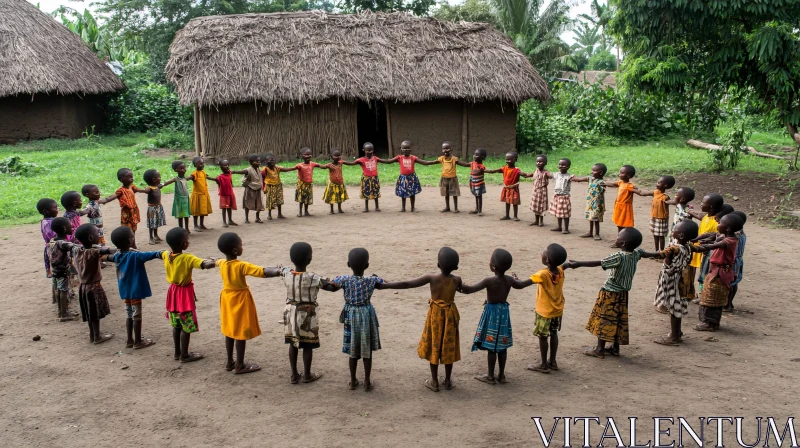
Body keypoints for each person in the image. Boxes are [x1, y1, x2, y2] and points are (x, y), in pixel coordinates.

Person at [377, 247, 463, 392]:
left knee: (434, 345)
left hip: (436, 317)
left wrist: (385, 284)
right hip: (450, 316)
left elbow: (407, 284)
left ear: (438, 265)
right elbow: (465, 289)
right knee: (448, 346)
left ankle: (434, 381)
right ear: (456, 267)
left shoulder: (432, 278)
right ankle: (448, 381)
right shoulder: (457, 280)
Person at [565, 227, 659, 358]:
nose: (617, 237)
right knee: (618, 319)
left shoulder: (619, 256)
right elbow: (647, 254)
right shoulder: (636, 253)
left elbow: (600, 262)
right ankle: (615, 348)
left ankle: (599, 349)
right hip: (623, 294)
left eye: (618, 236)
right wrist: (658, 254)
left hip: (610, 293)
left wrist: (579, 263)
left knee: (605, 319)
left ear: (623, 243)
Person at [459, 249, 533, 384]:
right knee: (502, 345)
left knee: (492, 346)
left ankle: (490, 376)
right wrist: (530, 279)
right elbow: (521, 285)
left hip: (492, 314)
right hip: (504, 313)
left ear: (493, 267)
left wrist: (457, 285)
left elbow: (469, 290)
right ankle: (502, 375)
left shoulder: (489, 280)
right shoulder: (510, 280)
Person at [214, 232, 277, 374]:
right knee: (240, 332)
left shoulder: (223, 263)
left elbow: (216, 261)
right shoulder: (241, 265)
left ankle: (230, 362)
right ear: (235, 250)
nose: (242, 247)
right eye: (241, 245)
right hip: (240, 300)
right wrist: (279, 271)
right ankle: (240, 365)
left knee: (229, 331)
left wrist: (213, 260)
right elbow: (261, 271)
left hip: (226, 299)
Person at [329, 248, 384, 391]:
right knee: (367, 349)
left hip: (351, 315)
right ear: (367, 266)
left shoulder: (344, 279)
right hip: (366, 313)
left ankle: (353, 381)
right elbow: (384, 283)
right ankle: (367, 382)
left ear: (348, 264)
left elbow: (331, 284)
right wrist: (376, 277)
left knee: (353, 348)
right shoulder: (371, 280)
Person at [280, 242, 335, 384]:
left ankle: (294, 375)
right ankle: (307, 374)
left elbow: (280, 270)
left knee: (293, 343)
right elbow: (331, 286)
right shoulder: (313, 277)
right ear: (310, 259)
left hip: (290, 312)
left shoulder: (287, 274)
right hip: (307, 315)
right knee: (308, 345)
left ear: (291, 259)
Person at [162, 227, 215, 363]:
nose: (188, 242)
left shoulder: (166, 255)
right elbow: (203, 264)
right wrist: (216, 261)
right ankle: (185, 355)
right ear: (184, 244)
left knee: (176, 325)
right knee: (186, 324)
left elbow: (159, 253)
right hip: (184, 295)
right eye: (187, 240)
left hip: (173, 293)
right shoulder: (187, 257)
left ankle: (177, 352)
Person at [105, 226, 162, 349]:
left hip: (125, 291)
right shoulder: (135, 256)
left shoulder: (117, 256)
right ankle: (138, 342)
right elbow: (151, 255)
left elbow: (108, 257)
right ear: (130, 241)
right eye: (132, 236)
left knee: (129, 315)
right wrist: (161, 253)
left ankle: (129, 340)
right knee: (137, 316)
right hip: (135, 290)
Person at [652, 220, 700, 346]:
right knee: (676, 305)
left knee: (674, 307)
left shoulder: (676, 249)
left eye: (675, 230)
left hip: (673, 281)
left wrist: (667, 259)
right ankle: (677, 332)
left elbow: (669, 266)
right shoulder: (688, 247)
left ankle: (674, 337)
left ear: (681, 236)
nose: (673, 231)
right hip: (681, 278)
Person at [693, 213, 744, 331]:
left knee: (713, 298)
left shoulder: (730, 241)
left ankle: (710, 323)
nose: (718, 224)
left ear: (727, 228)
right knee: (710, 296)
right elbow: (711, 236)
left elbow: (713, 246)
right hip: (715, 271)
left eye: (720, 223)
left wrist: (697, 247)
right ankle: (709, 321)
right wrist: (697, 239)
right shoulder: (725, 236)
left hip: (720, 274)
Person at [525, 244, 568, 374]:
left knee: (543, 337)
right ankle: (553, 361)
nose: (541, 254)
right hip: (557, 310)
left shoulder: (543, 274)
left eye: (543, 253)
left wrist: (513, 280)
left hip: (544, 312)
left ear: (547, 260)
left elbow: (522, 284)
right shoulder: (560, 270)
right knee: (554, 333)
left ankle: (543, 364)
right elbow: (568, 264)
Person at [71, 224, 115, 344]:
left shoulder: (77, 250)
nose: (99, 235)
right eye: (97, 233)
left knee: (90, 312)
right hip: (94, 286)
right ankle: (97, 336)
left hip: (83, 287)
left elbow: (92, 247)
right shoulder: (94, 252)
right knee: (95, 313)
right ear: (91, 238)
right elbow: (109, 250)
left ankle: (93, 335)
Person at [687, 194, 724, 296]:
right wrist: (691, 212)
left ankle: (703, 294)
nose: (701, 204)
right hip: (699, 249)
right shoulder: (707, 216)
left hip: (706, 252)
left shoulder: (717, 223)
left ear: (711, 206)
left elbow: (714, 238)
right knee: (698, 272)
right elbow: (700, 216)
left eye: (703, 203)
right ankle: (695, 292)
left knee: (704, 274)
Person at [342, 142, 393, 212]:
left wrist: (393, 160)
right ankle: (366, 207)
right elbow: (352, 163)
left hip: (374, 178)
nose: (370, 152)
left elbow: (385, 161)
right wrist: (342, 162)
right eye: (368, 150)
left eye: (371, 150)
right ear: (364, 150)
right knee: (366, 193)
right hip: (366, 179)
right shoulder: (361, 160)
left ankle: (377, 207)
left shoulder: (375, 158)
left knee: (376, 192)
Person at [102, 168, 144, 247]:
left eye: (132, 176)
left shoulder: (132, 187)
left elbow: (141, 190)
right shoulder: (121, 190)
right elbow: (112, 197)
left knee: (134, 229)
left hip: (134, 212)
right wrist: (104, 200)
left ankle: (133, 245)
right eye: (129, 177)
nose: (132, 178)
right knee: (127, 230)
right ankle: (128, 245)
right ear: (121, 179)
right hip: (126, 214)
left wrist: (151, 189)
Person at [635, 175, 676, 251]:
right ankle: (656, 251)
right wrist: (634, 190)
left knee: (661, 237)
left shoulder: (665, 197)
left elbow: (670, 202)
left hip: (661, 220)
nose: (656, 184)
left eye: (659, 183)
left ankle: (662, 252)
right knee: (655, 235)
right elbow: (643, 193)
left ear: (665, 185)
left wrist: (677, 201)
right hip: (654, 218)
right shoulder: (655, 192)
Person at [47, 217, 76, 321]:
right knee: (63, 290)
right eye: (70, 226)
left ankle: (61, 312)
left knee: (59, 290)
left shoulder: (52, 241)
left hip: (56, 270)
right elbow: (74, 247)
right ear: (64, 229)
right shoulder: (62, 243)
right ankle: (64, 314)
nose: (72, 227)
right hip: (63, 270)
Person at [392, 141, 430, 213]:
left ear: (410, 150)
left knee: (412, 193)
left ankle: (413, 207)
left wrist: (435, 161)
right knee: (403, 193)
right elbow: (389, 161)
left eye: (408, 148)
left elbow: (424, 162)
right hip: (403, 178)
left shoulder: (413, 158)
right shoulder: (399, 158)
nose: (406, 150)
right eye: (404, 148)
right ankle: (403, 207)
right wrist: (378, 160)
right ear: (401, 150)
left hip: (411, 178)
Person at [604, 165, 637, 247]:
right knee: (619, 224)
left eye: (622, 173)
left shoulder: (629, 186)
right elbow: (612, 184)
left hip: (625, 208)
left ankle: (625, 241)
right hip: (618, 206)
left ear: (628, 175)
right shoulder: (620, 182)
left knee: (626, 225)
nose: (619, 174)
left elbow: (638, 191)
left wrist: (647, 193)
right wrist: (603, 183)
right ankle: (620, 240)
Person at [573, 163, 607, 240]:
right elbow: (581, 179)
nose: (592, 172)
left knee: (596, 219)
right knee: (590, 217)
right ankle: (590, 232)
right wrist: (575, 178)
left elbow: (610, 186)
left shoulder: (602, 182)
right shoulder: (590, 179)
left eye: (594, 170)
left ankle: (597, 234)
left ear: (601, 172)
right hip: (590, 203)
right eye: (592, 170)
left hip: (598, 204)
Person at [489, 152, 527, 221]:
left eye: (509, 160)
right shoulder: (504, 168)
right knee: (507, 201)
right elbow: (494, 171)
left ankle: (515, 216)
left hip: (514, 188)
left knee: (515, 202)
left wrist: (523, 174)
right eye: (506, 159)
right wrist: (485, 171)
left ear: (515, 160)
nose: (507, 161)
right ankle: (507, 215)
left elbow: (525, 175)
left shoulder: (517, 170)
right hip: (507, 188)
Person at [434, 141, 470, 213]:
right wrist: (420, 161)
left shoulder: (454, 159)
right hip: (444, 178)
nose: (446, 150)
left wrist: (473, 164)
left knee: (454, 193)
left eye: (448, 148)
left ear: (451, 149)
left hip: (452, 178)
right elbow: (432, 162)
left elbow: (464, 164)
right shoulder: (441, 158)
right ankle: (447, 207)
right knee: (446, 194)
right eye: (444, 148)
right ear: (442, 150)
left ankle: (456, 208)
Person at [260, 153, 295, 220]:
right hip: (270, 186)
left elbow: (286, 169)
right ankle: (269, 215)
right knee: (270, 200)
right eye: (270, 160)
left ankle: (279, 214)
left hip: (278, 185)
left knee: (279, 200)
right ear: (266, 162)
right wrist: (263, 187)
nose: (272, 162)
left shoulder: (277, 168)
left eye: (273, 160)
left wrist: (295, 168)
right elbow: (261, 177)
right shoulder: (265, 169)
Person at [231, 155, 265, 223]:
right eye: (257, 161)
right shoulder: (248, 170)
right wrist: (233, 172)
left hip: (258, 188)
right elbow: (241, 171)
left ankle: (257, 218)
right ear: (251, 162)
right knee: (247, 203)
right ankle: (246, 218)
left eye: (259, 161)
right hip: (250, 188)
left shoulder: (259, 169)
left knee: (259, 203)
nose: (259, 163)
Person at [726, 211, 747, 312]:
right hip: (738, 261)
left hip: (732, 261)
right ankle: (729, 303)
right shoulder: (742, 233)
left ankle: (727, 304)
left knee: (729, 283)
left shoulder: (735, 237)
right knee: (733, 283)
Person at [161, 161, 192, 232]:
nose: (184, 169)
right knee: (180, 215)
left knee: (186, 215)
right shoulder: (176, 179)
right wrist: (162, 184)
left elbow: (192, 176)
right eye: (181, 168)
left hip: (185, 199)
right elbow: (167, 182)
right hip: (179, 200)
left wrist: (194, 175)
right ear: (176, 170)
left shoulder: (185, 178)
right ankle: (181, 229)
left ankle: (187, 228)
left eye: (184, 168)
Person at [548, 158, 575, 234]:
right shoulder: (556, 174)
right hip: (556, 196)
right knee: (558, 212)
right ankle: (559, 227)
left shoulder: (569, 176)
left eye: (563, 165)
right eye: (560, 164)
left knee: (565, 213)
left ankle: (566, 229)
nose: (561, 166)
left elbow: (575, 179)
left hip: (564, 196)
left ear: (568, 167)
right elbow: (548, 174)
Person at [190, 156, 216, 231]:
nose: (202, 165)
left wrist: (216, 179)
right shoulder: (195, 173)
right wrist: (183, 179)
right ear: (195, 165)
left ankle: (201, 224)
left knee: (202, 210)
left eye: (203, 163)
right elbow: (190, 177)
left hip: (204, 194)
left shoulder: (203, 172)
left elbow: (207, 177)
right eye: (200, 164)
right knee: (196, 211)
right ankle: (195, 225)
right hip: (197, 195)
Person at [142, 170, 167, 245]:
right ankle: (151, 238)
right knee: (152, 224)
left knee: (156, 222)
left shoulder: (157, 187)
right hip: (152, 208)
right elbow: (146, 191)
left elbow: (164, 184)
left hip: (158, 207)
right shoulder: (150, 188)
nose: (160, 178)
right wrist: (141, 189)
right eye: (159, 177)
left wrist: (163, 184)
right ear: (154, 179)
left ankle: (156, 235)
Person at [294, 148, 321, 217]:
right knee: (301, 199)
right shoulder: (299, 165)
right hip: (301, 184)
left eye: (310, 154)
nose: (308, 156)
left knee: (307, 199)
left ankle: (306, 211)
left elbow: (321, 166)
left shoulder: (312, 164)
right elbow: (291, 168)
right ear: (302, 156)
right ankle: (300, 212)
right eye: (306, 155)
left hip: (308, 184)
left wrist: (329, 166)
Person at [321, 149, 349, 214]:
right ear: (331, 157)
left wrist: (358, 162)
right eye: (336, 156)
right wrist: (315, 165)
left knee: (340, 196)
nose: (338, 157)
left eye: (339, 155)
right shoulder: (329, 165)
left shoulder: (341, 163)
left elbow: (350, 163)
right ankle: (331, 210)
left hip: (340, 183)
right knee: (331, 197)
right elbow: (323, 167)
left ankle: (339, 209)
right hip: (332, 184)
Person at [37, 198, 59, 279]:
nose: (57, 210)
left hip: (49, 246)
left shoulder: (44, 221)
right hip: (55, 247)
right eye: (55, 208)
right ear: (46, 211)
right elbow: (53, 236)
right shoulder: (51, 223)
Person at [528, 154, 552, 227]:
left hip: (542, 191)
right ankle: (536, 220)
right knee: (536, 206)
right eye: (537, 161)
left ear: (545, 163)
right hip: (535, 191)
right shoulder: (536, 171)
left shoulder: (546, 172)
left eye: (541, 162)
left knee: (541, 206)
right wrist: (522, 174)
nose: (538, 163)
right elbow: (530, 175)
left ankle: (541, 221)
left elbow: (550, 176)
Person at [215, 160, 238, 227]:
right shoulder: (220, 177)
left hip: (230, 193)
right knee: (224, 208)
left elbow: (231, 182)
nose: (227, 166)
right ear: (221, 167)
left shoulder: (230, 173)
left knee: (229, 207)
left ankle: (230, 220)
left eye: (228, 165)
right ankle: (224, 222)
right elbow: (219, 185)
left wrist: (232, 186)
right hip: (224, 195)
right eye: (225, 165)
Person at [468, 148, 488, 216]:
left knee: (479, 196)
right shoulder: (472, 163)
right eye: (474, 154)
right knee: (476, 196)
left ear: (482, 157)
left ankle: (480, 211)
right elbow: (465, 164)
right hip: (473, 182)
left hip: (479, 183)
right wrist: (456, 162)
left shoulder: (481, 166)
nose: (474, 156)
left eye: (476, 155)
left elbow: (485, 170)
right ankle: (477, 209)